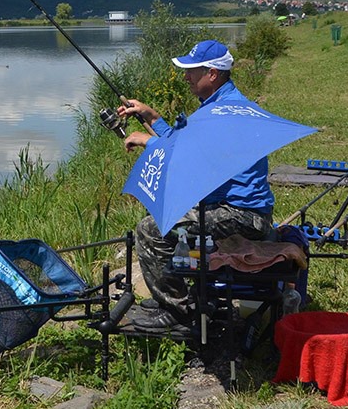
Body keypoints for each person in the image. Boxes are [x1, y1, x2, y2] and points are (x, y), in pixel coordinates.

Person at [117, 39, 275, 332]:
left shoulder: (224, 114)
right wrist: (151, 116)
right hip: (231, 207)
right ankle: (180, 296)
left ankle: (178, 312)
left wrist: (147, 140)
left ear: (212, 74)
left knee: (150, 230)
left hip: (242, 215)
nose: (186, 77)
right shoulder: (223, 105)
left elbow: (187, 156)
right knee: (166, 218)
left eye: (192, 71)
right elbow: (185, 142)